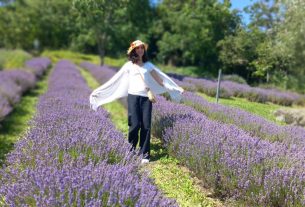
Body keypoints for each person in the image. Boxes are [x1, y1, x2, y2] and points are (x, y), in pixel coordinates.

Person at [90, 40, 184, 164]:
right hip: (133, 97)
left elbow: (160, 81)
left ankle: (145, 154)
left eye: (142, 48)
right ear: (133, 50)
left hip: (146, 98)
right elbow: (115, 80)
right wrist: (99, 91)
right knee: (134, 125)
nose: (140, 50)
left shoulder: (148, 66)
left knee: (146, 126)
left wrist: (175, 88)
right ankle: (131, 150)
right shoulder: (128, 66)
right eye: (138, 48)